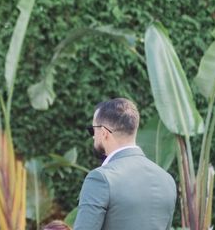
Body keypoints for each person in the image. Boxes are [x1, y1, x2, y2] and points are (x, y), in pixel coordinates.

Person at [73, 98, 177, 230]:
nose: (93, 136)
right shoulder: (166, 180)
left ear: (104, 133)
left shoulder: (101, 178)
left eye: (93, 130)